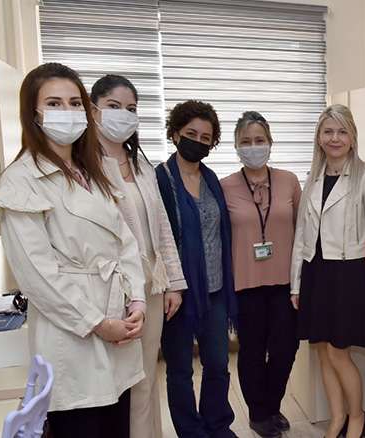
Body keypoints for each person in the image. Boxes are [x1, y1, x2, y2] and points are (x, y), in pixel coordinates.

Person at [0, 62, 146, 438]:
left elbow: (125, 241)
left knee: (116, 426)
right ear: (33, 113)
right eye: (54, 103)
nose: (68, 112)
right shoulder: (21, 180)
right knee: (82, 424)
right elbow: (38, 275)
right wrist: (99, 324)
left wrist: (138, 300)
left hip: (118, 323)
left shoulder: (94, 170)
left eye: (75, 103)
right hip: (74, 335)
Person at [291, 104, 365, 438]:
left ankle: (357, 418)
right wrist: (295, 284)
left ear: (352, 137)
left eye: (342, 131)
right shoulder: (313, 177)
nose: (335, 138)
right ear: (319, 137)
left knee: (338, 353)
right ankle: (337, 418)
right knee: (323, 352)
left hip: (346, 274)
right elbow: (301, 236)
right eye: (328, 131)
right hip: (315, 273)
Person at [90, 74, 187, 438]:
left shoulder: (142, 165)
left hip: (152, 283)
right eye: (113, 106)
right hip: (111, 290)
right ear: (94, 110)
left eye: (131, 108)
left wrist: (173, 283)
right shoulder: (84, 167)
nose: (124, 115)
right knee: (120, 383)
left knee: (146, 375)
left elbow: (162, 228)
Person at [155, 100, 238, 438]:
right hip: (178, 293)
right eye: (191, 134)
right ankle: (191, 432)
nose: (198, 142)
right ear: (175, 134)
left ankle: (217, 425)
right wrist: (169, 284)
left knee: (218, 364)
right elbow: (156, 239)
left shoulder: (211, 179)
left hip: (215, 291)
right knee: (179, 370)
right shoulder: (160, 179)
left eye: (206, 138)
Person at [221, 111, 301, 438]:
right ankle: (257, 413)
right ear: (236, 146)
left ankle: (272, 405)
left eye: (259, 140)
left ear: (270, 142)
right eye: (246, 141)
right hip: (245, 285)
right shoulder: (224, 187)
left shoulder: (289, 181)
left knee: (285, 350)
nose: (253, 147)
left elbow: (303, 230)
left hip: (285, 283)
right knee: (252, 352)